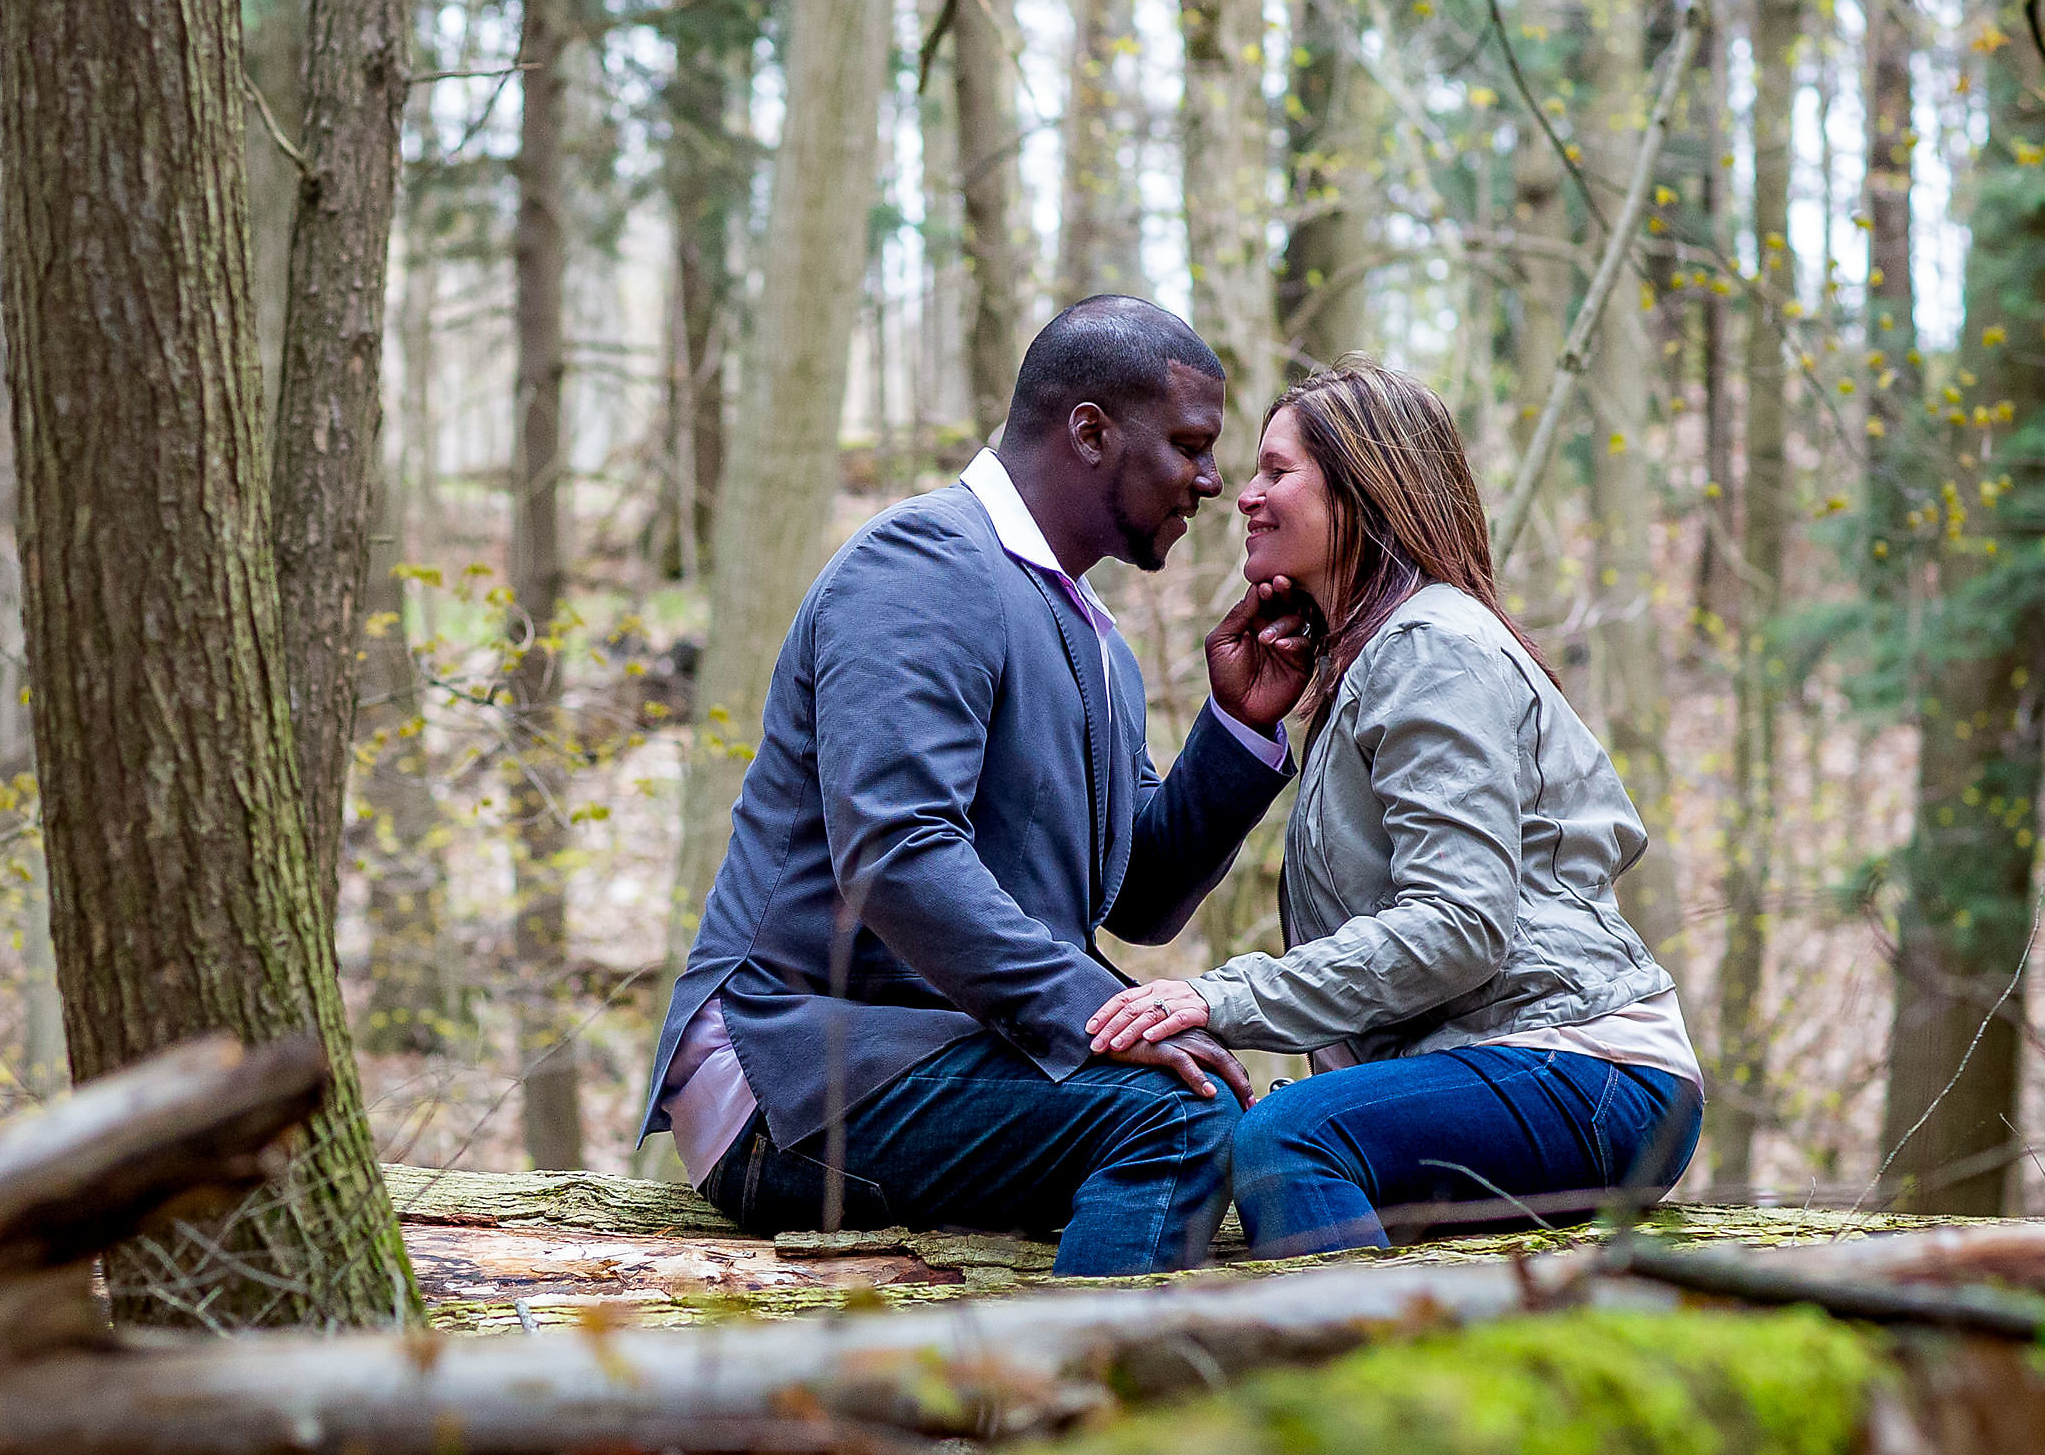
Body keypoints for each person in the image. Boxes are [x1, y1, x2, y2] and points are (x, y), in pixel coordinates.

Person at [642, 297, 1317, 1274]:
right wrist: (1102, 1021)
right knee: (1175, 1117)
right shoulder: (923, 566)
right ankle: (1084, 1420)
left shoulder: (1091, 637)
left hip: (923, 1053)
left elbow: (1142, 895)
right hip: (790, 1070)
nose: (1214, 482)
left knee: (1217, 1111)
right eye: (1189, 445)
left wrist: (1238, 730)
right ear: (1090, 431)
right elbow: (897, 852)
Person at [1085, 359, 1703, 1254]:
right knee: (1292, 1124)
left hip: (1587, 1068)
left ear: (1363, 492)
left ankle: (1368, 1389)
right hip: (1533, 1067)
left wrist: (1218, 998)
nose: (1243, 495)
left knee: (1292, 1137)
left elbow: (1458, 925)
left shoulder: (1429, 647)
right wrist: (1243, 721)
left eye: (1277, 470)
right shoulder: (1376, 662)